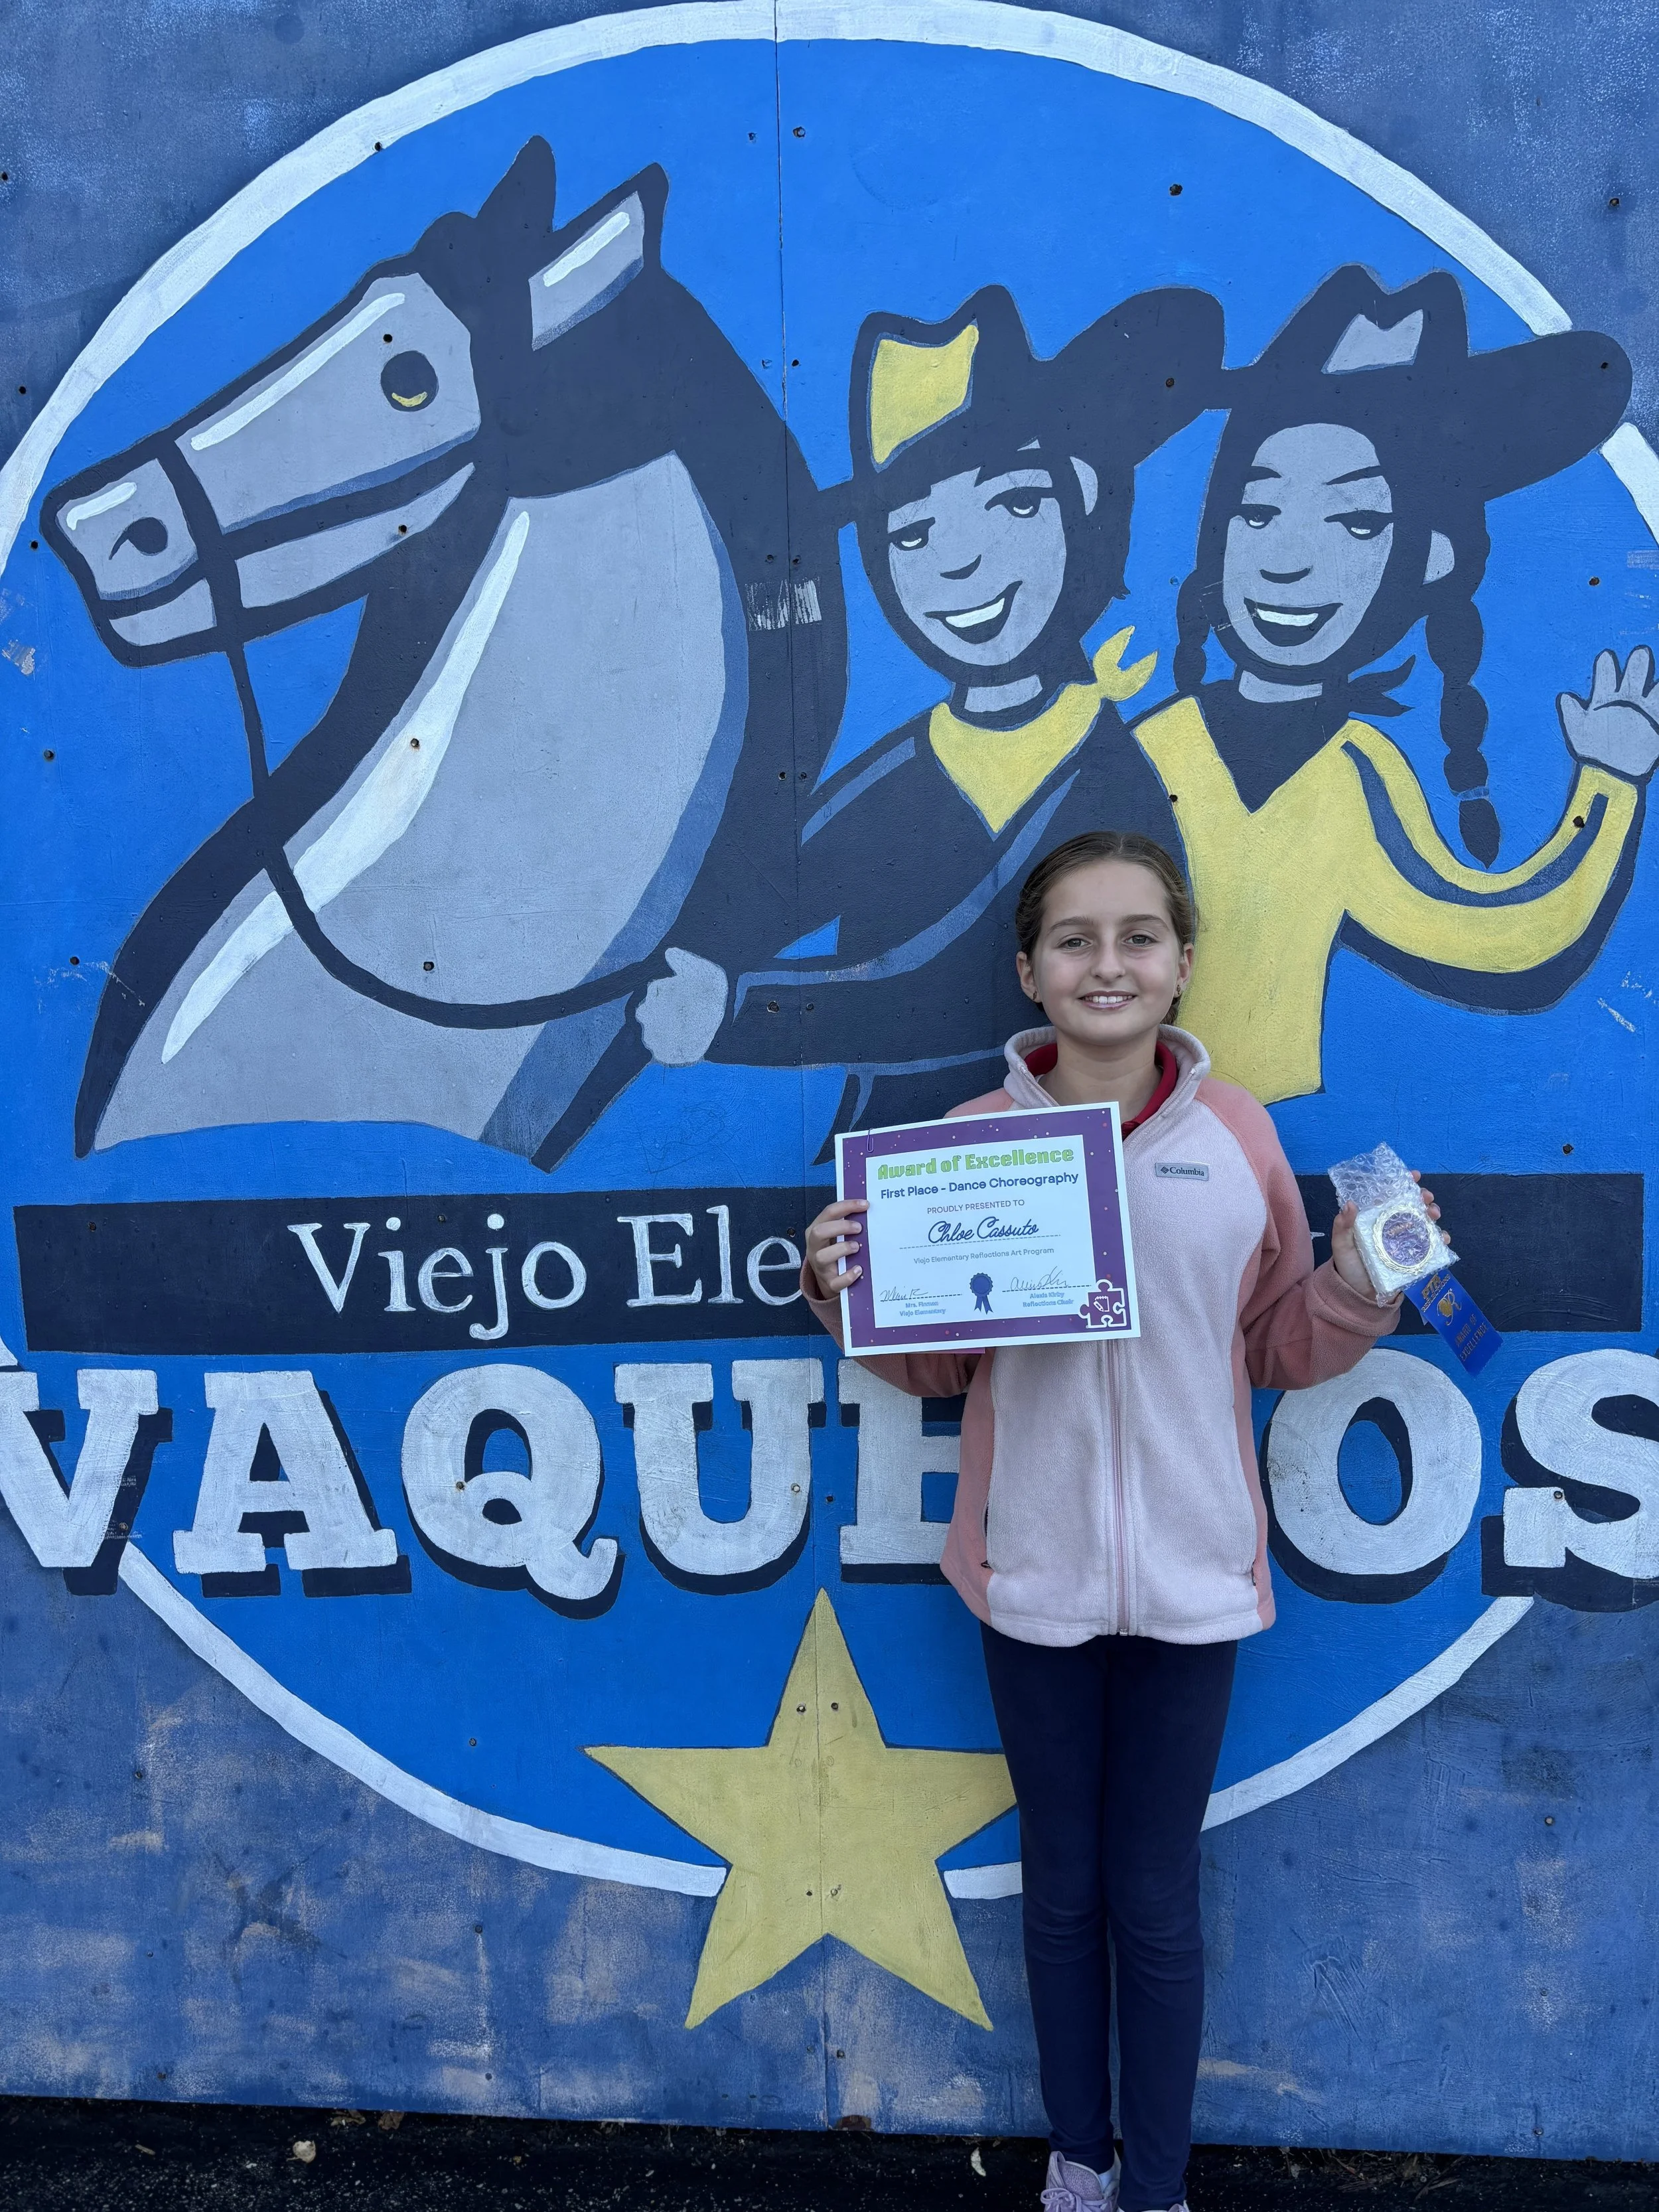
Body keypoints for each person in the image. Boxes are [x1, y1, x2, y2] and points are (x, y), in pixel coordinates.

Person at [800, 829, 1441, 2212]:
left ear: (1180, 962)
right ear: (1028, 971)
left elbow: (1273, 1342)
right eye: (1074, 939)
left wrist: (1353, 1285)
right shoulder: (965, 1153)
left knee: (1152, 1900)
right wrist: (844, 1284)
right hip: (1028, 1578)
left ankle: (1154, 2182)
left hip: (1198, 1579)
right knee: (1060, 1891)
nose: (1107, 962)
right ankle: (1076, 2160)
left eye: (1137, 935)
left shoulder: (1239, 1140)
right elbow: (929, 1368)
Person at [1131, 263, 1654, 1104]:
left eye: (1358, 521)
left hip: (1257, 1148)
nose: (1286, 558)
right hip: (1093, 1135)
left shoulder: (1353, 774)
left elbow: (1491, 934)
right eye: (1257, 514)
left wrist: (1609, 782)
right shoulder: (1146, 750)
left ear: (1429, 560)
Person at [712, 283, 1224, 1140]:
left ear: (1085, 498)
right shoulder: (908, 763)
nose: (957, 565)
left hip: (1081, 1155)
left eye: (1015, 503)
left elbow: (933, 984)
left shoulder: (1110, 781)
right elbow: (772, 894)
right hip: (903, 1178)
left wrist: (733, 1011)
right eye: (909, 535)